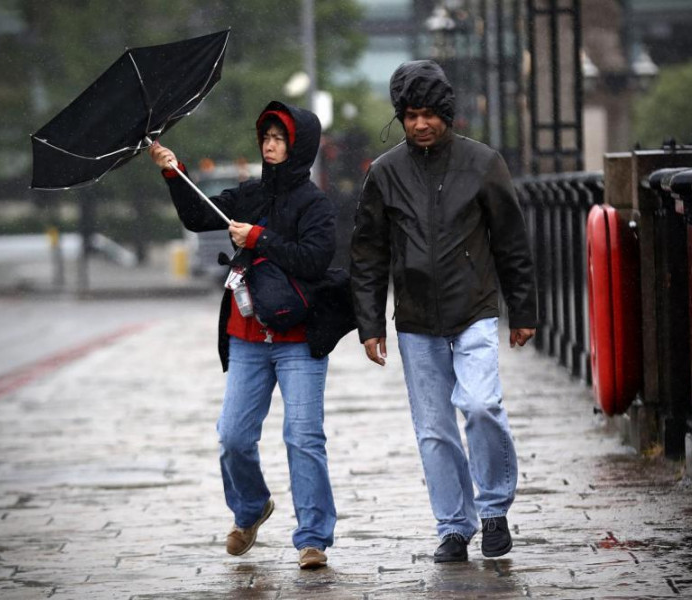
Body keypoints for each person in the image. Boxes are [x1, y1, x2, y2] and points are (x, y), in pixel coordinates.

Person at [350, 61, 538, 563]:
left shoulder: (483, 163)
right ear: (402, 118)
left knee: (480, 406)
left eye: (430, 114)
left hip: (473, 310)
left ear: (446, 114)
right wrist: (369, 324)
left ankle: (494, 509)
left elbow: (512, 243)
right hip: (413, 320)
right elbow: (367, 253)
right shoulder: (385, 173)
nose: (420, 124)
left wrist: (522, 310)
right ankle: (454, 525)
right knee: (434, 429)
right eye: (411, 115)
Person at [149, 101, 337, 570]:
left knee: (303, 437)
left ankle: (312, 538)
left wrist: (260, 239)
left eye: (280, 138)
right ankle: (251, 510)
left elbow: (315, 258)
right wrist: (174, 172)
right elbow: (197, 215)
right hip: (246, 335)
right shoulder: (249, 193)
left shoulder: (315, 204)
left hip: (298, 340)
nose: (270, 145)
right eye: (266, 138)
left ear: (298, 147)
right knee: (233, 436)